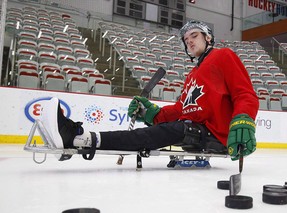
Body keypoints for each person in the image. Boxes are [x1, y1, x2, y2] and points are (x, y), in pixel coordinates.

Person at [40, 20, 259, 162]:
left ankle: (81, 138)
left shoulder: (223, 56)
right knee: (164, 129)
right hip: (191, 128)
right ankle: (80, 137)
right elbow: (181, 109)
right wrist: (151, 112)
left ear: (208, 37)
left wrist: (243, 119)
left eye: (194, 35)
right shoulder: (193, 74)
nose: (189, 41)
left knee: (156, 133)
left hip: (213, 133)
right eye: (186, 39)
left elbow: (245, 95)